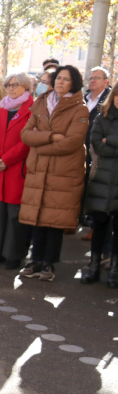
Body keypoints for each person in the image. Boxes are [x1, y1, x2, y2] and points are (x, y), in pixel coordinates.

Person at [19, 64, 89, 281]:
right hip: (40, 170)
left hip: (63, 172)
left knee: (55, 220)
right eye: (58, 78)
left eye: (65, 79)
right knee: (37, 218)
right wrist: (50, 137)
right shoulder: (41, 102)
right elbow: (26, 134)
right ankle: (35, 259)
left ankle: (49, 264)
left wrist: (39, 144)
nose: (60, 82)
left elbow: (72, 142)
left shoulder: (80, 108)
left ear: (74, 83)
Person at [0, 72, 34, 269]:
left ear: (26, 87)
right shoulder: (1, 108)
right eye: (9, 85)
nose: (11, 88)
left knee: (15, 215)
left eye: (15, 85)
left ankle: (13, 255)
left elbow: (26, 142)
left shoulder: (32, 108)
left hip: (15, 169)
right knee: (0, 213)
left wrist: (5, 160)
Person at [85, 84, 118, 287]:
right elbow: (96, 144)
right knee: (99, 226)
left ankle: (114, 271)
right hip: (102, 180)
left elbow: (105, 143)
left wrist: (110, 140)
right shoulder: (102, 117)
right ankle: (93, 267)